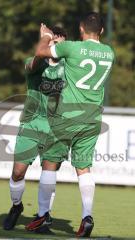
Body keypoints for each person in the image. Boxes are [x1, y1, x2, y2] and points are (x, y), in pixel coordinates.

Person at [26, 12, 115, 237]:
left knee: (49, 163)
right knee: (83, 168)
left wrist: (45, 36)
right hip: (93, 117)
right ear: (102, 31)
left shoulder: (72, 48)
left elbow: (41, 54)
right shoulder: (109, 53)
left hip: (67, 115)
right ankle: (87, 215)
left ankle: (43, 215)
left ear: (81, 29)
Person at [3, 26, 67, 231]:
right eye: (53, 42)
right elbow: (34, 63)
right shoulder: (35, 63)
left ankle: (43, 216)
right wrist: (46, 39)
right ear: (47, 43)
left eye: (61, 43)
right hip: (31, 123)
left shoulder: (70, 67)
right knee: (18, 172)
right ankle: (16, 206)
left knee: (49, 173)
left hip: (56, 128)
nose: (57, 46)